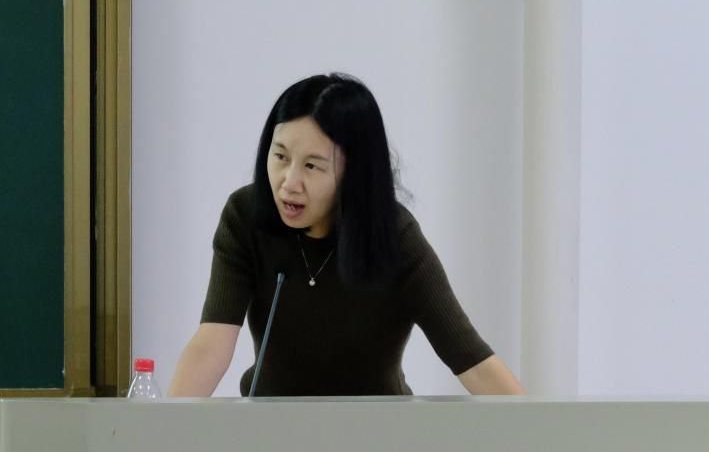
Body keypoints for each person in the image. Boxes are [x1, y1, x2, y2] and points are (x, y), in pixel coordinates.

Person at [167, 72, 524, 398]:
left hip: (376, 434)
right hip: (270, 430)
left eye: (312, 166)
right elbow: (211, 345)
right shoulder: (245, 216)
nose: (289, 182)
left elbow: (472, 361)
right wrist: (164, 431)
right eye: (280, 157)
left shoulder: (394, 236)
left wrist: (538, 437)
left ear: (354, 173)